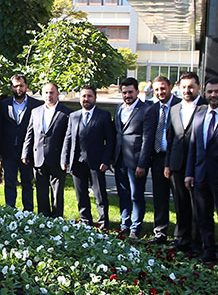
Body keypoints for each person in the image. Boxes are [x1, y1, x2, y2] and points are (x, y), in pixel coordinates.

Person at [184, 78, 218, 266]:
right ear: (205, 93)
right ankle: (208, 250)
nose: (213, 95)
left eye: (217, 92)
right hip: (200, 174)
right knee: (203, 215)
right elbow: (193, 146)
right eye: (210, 91)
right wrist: (189, 173)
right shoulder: (199, 115)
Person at [62, 85, 115, 228]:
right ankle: (85, 221)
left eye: (89, 96)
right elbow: (68, 138)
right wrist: (64, 159)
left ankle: (103, 223)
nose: (86, 99)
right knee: (81, 195)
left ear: (95, 98)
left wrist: (106, 161)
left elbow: (110, 141)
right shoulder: (74, 116)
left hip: (97, 163)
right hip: (77, 162)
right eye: (84, 96)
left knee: (100, 195)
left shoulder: (103, 116)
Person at [165, 72, 203, 253]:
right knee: (180, 203)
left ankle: (197, 242)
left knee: (197, 205)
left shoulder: (205, 107)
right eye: (184, 87)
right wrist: (167, 164)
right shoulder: (174, 109)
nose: (187, 90)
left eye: (191, 87)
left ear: (198, 87)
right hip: (177, 163)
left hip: (197, 164)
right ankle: (181, 238)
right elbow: (170, 138)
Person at [23, 82, 72, 218]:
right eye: (46, 92)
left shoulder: (66, 113)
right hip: (39, 157)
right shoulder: (36, 111)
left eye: (51, 92)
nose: (48, 95)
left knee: (57, 192)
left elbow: (68, 138)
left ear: (57, 94)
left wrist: (65, 158)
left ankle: (57, 218)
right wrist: (25, 153)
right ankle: (43, 217)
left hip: (57, 158)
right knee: (41, 190)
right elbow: (30, 133)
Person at [0, 74, 42, 211]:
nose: (18, 89)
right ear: (11, 87)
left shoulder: (36, 105)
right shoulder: (4, 104)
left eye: (21, 85)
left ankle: (28, 211)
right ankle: (10, 210)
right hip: (8, 149)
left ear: (26, 86)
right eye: (15, 86)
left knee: (27, 182)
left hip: (27, 150)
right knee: (9, 182)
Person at [113, 77, 150, 238]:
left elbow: (147, 139)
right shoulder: (119, 108)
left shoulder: (146, 110)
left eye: (130, 92)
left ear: (137, 92)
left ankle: (135, 228)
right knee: (123, 194)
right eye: (124, 92)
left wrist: (142, 163)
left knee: (136, 195)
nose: (127, 95)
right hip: (119, 159)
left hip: (136, 161)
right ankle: (124, 225)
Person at [144, 75, 179, 243]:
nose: (160, 92)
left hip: (176, 158)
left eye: (163, 88)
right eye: (156, 90)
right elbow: (148, 137)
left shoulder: (180, 106)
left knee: (179, 198)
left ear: (170, 87)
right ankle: (160, 232)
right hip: (158, 157)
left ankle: (181, 234)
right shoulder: (152, 109)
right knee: (159, 197)